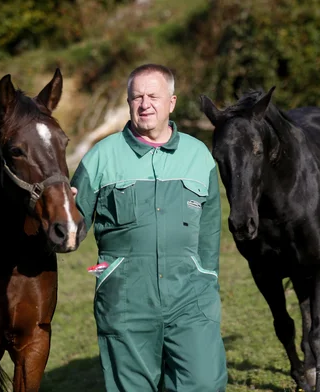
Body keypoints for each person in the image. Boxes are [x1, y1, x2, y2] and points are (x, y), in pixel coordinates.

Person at [70, 64, 227, 391]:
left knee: (204, 382)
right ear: (128, 102)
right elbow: (69, 230)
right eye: (136, 97)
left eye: (153, 96)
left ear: (171, 102)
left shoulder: (199, 156)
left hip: (191, 298)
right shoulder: (101, 156)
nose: (145, 104)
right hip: (127, 299)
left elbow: (210, 233)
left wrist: (206, 278)